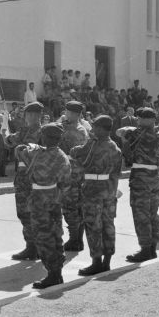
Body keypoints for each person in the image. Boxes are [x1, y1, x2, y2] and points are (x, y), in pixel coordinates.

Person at [15, 123, 71, 289]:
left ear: (45, 137)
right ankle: (56, 273)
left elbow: (20, 152)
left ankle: (53, 275)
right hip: (53, 199)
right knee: (56, 237)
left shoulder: (39, 154)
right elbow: (66, 184)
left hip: (40, 201)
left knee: (43, 238)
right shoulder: (62, 156)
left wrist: (27, 147)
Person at [71, 115, 122, 275]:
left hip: (93, 189)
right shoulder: (115, 148)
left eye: (94, 127)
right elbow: (116, 174)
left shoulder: (93, 145)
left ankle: (96, 263)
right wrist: (113, 192)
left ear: (101, 129)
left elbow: (76, 154)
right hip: (108, 190)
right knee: (108, 226)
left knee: (93, 226)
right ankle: (106, 262)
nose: (92, 130)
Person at [116, 108, 159, 263]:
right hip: (154, 177)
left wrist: (130, 129)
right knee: (153, 214)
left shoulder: (136, 133)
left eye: (139, 118)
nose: (137, 121)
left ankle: (145, 249)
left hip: (141, 177)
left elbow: (119, 132)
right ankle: (152, 248)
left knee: (141, 215)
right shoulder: (158, 135)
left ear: (146, 120)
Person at [2, 101, 44, 260]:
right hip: (26, 177)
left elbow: (8, 142)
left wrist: (6, 132)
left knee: (28, 213)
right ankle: (33, 246)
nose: (25, 117)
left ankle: (34, 247)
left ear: (32, 115)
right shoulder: (32, 131)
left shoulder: (33, 131)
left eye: (26, 114)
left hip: (30, 178)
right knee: (28, 213)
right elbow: (9, 142)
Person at [56, 101, 89, 251]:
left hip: (72, 175)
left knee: (70, 208)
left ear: (75, 114)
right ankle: (77, 239)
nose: (65, 114)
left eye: (68, 112)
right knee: (76, 207)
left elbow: (69, 153)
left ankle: (75, 239)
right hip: (73, 174)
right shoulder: (71, 127)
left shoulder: (76, 130)